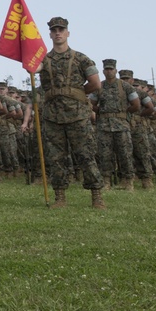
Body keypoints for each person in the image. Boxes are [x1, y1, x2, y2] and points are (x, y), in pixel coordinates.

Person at [37, 17, 104, 209]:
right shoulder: (43, 59)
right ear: (50, 34)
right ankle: (60, 197)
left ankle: (97, 196)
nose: (58, 33)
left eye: (61, 29)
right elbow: (33, 69)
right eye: (54, 30)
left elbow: (95, 83)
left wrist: (77, 93)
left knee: (86, 155)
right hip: (52, 116)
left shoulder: (81, 58)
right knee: (56, 157)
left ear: (68, 33)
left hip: (78, 116)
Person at [93, 59, 140, 191]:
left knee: (125, 154)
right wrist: (102, 112)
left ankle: (128, 181)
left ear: (115, 70)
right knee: (105, 155)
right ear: (103, 71)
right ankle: (106, 181)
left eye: (111, 69)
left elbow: (136, 104)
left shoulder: (125, 86)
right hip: (104, 126)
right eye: (106, 69)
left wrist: (123, 113)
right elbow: (91, 103)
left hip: (121, 126)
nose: (109, 71)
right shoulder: (99, 86)